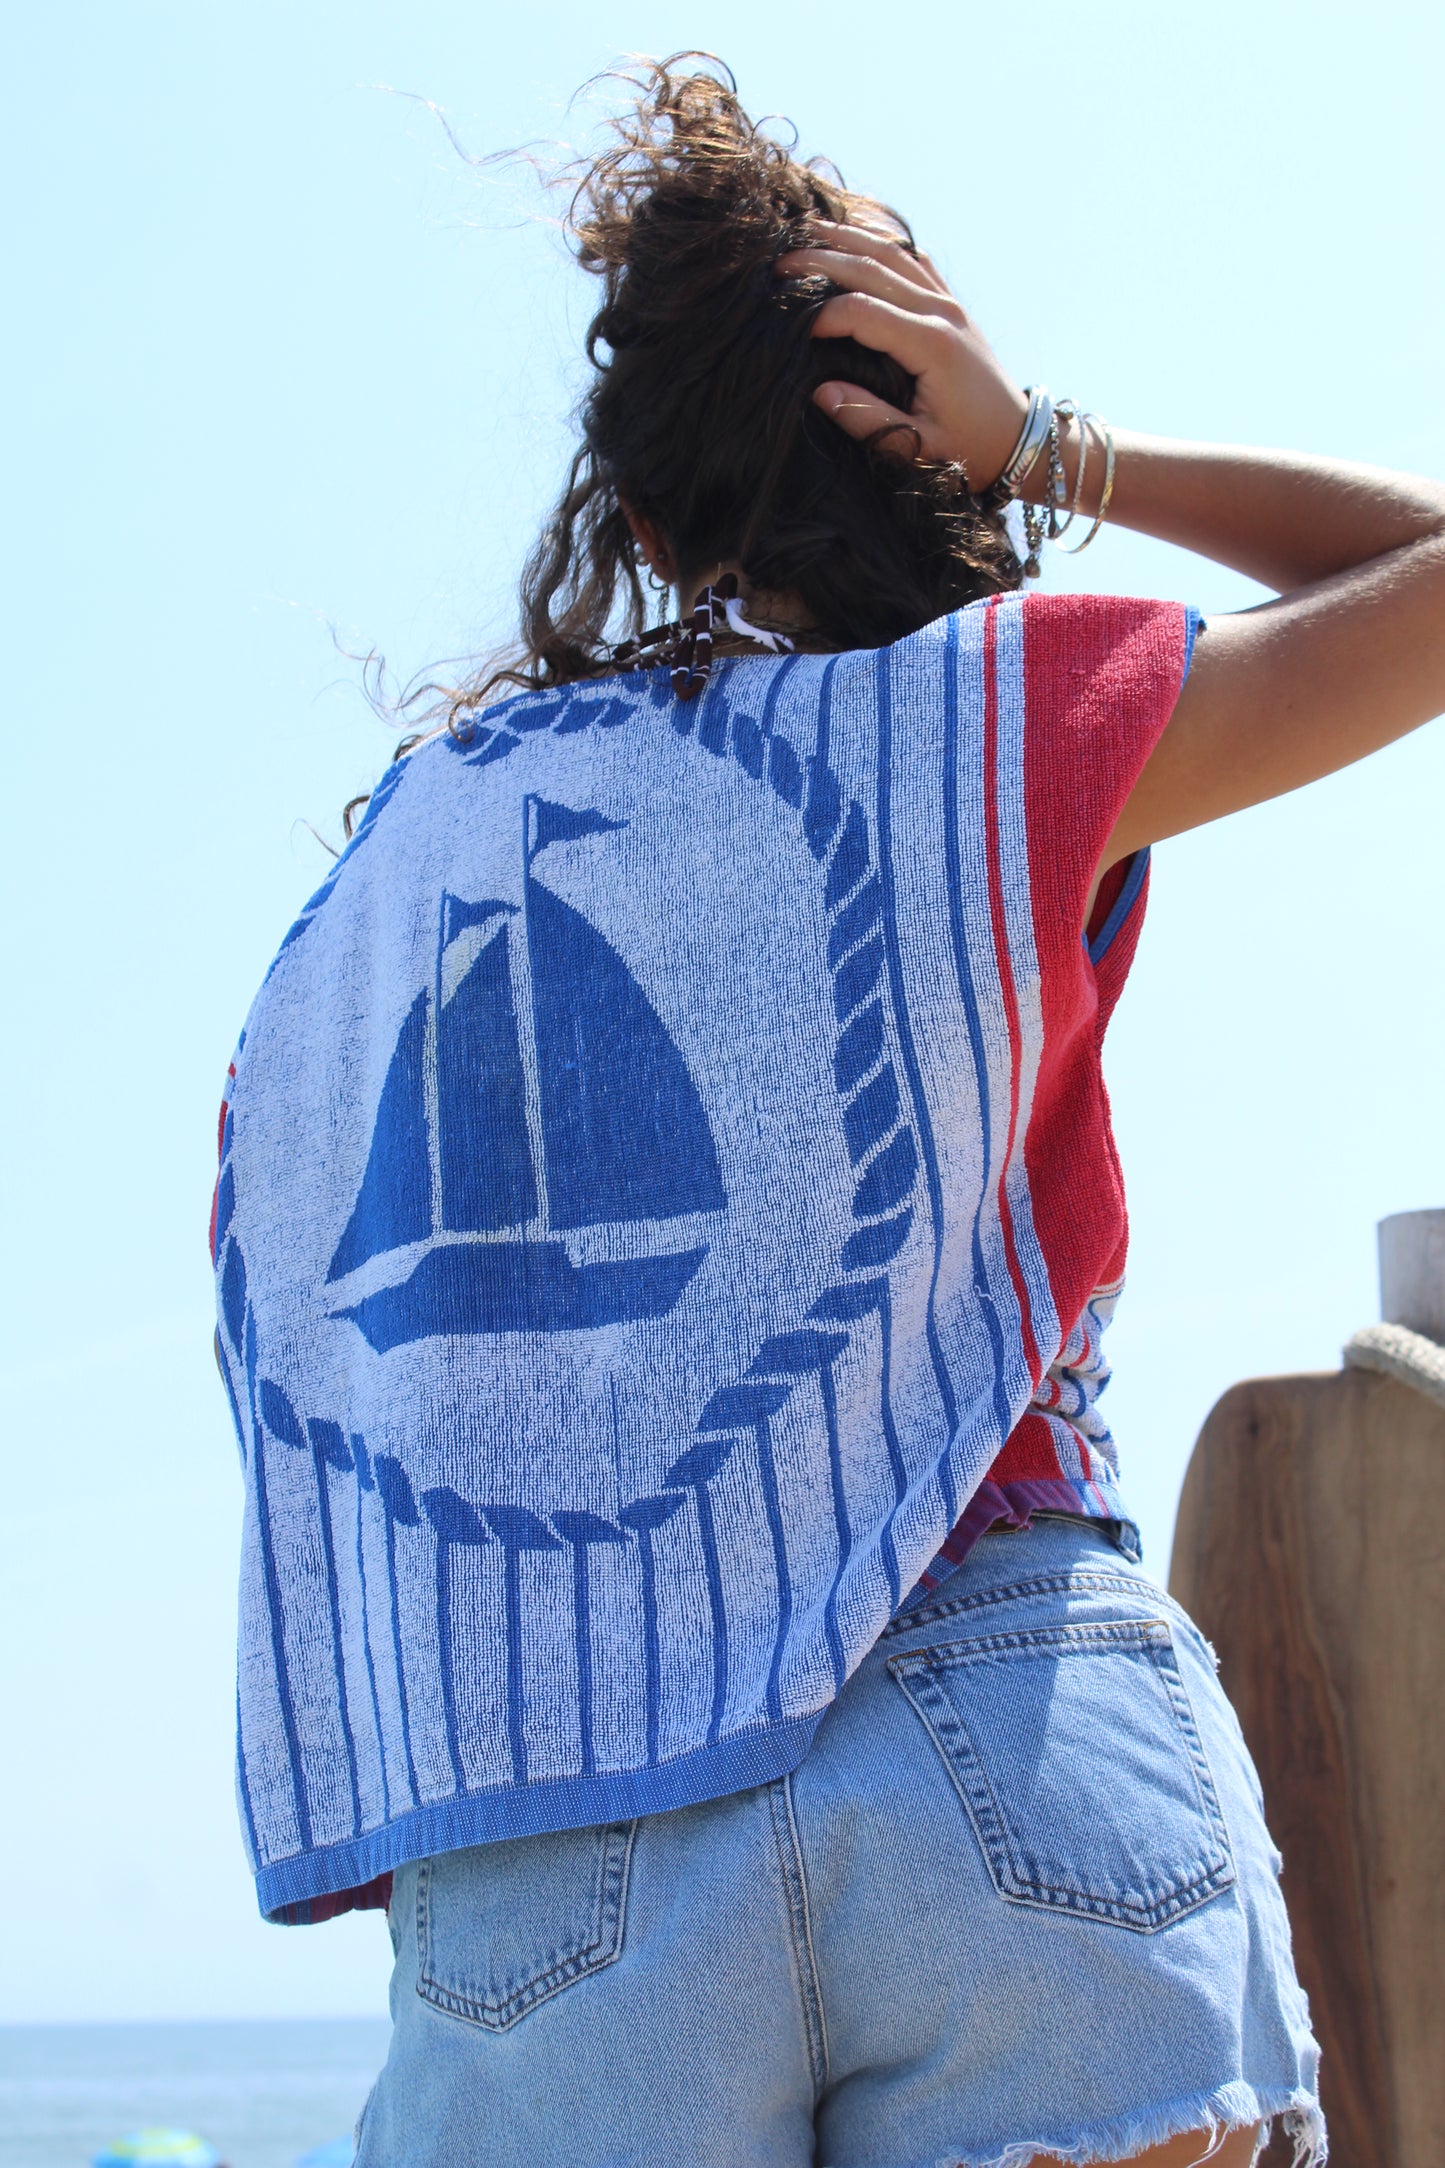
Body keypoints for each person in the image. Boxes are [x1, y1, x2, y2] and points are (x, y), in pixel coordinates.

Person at [211, 57, 1445, 2167]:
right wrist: (1056, 444)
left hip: (554, 1839)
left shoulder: (367, 912)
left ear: (642, 519)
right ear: (914, 450)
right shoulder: (999, 724)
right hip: (1020, 1748)